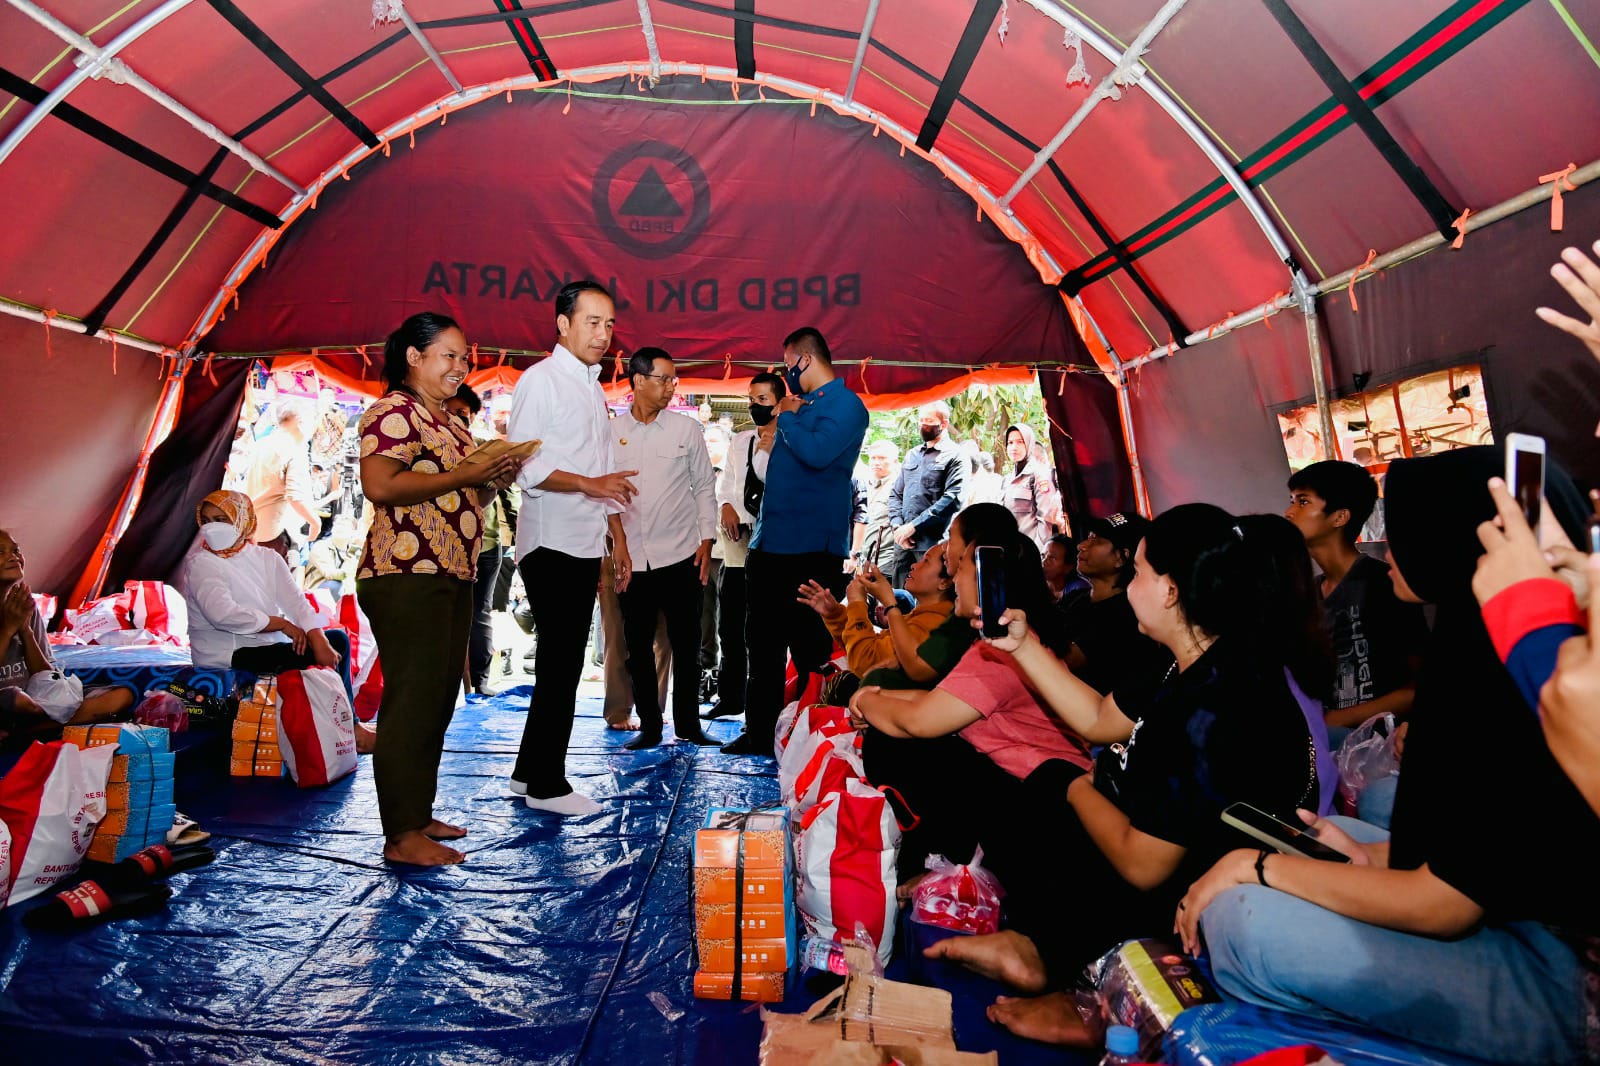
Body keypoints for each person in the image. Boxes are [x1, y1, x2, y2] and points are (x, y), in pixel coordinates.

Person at [1181, 448, 1597, 1065]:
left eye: (1404, 530)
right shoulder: (1479, 638)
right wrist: (1364, 861)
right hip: (1518, 915)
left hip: (1566, 982)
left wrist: (1255, 867)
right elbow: (1495, 856)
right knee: (1344, 835)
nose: (1388, 546)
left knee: (1244, 924)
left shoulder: (1534, 672)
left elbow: (1445, 905)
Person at [922, 504, 1327, 1046]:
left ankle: (1090, 990)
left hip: (1194, 901)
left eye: (1137, 572)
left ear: (1171, 590)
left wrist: (1074, 786)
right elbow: (1097, 719)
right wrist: (1022, 646)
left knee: (1051, 790)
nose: (1129, 586)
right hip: (1140, 833)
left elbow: (1144, 865)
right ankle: (1040, 949)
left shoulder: (1220, 703)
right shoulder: (1180, 659)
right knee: (1032, 787)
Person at [356, 311, 523, 866]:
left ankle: (417, 814)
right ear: (414, 356)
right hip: (405, 574)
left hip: (451, 572)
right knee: (411, 702)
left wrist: (491, 480)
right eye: (449, 355)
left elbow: (457, 496)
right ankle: (400, 834)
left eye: (464, 358)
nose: (460, 367)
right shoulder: (393, 411)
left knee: (436, 699)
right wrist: (463, 477)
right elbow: (380, 485)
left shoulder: (449, 422)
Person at [506, 281, 639, 809]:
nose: (603, 334)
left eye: (610, 325)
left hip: (585, 539)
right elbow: (524, 466)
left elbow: (603, 471)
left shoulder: (590, 385)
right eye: (592, 322)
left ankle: (527, 774)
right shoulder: (541, 380)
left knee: (561, 662)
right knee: (560, 665)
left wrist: (617, 537)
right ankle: (547, 784)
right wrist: (589, 485)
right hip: (551, 539)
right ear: (562, 324)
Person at [721, 327, 868, 755]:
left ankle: (815, 735)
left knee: (810, 649)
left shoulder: (846, 405)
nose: (786, 374)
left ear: (804, 360)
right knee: (762, 647)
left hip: (811, 550)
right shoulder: (800, 406)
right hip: (769, 545)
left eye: (788, 365)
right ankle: (759, 731)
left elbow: (818, 453)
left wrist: (787, 417)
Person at [608, 348, 719, 749]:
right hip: (632, 558)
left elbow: (704, 486)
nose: (672, 387)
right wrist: (618, 543)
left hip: (682, 554)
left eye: (674, 379)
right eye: (664, 379)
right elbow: (607, 496)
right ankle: (650, 726)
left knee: (686, 644)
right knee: (636, 647)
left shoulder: (685, 429)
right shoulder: (611, 432)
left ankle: (689, 724)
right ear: (638, 381)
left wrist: (706, 540)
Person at [1284, 460, 1425, 737]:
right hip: (1332, 747)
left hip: (1384, 744)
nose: (1289, 512)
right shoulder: (1308, 595)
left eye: (1303, 502)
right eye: (1292, 501)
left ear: (1340, 517)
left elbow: (1418, 686)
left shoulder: (1383, 583)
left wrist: (1331, 721)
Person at [181, 490, 357, 707]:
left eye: (220, 519)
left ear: (242, 520)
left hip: (267, 645)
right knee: (336, 643)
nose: (211, 527)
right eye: (206, 521)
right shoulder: (202, 563)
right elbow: (222, 614)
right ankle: (348, 719)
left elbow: (296, 602)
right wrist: (281, 624)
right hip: (224, 652)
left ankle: (344, 718)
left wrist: (318, 638)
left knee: (336, 639)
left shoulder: (267, 558)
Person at [0, 528, 134, 742]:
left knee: (121, 696)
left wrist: (25, 630)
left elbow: (45, 676)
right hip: (8, 702)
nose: (13, 556)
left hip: (36, 700)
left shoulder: (24, 606)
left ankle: (27, 731)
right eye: (1, 552)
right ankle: (41, 725)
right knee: (17, 700)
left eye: (16, 550)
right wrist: (8, 630)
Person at [709, 371, 783, 720]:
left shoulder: (790, 440)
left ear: (779, 404)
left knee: (763, 629)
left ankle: (764, 707)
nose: (755, 406)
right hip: (737, 535)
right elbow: (727, 484)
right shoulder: (741, 440)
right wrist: (726, 505)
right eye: (752, 400)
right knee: (730, 620)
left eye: (763, 400)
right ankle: (730, 695)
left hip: (773, 539)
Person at [798, 541, 956, 681]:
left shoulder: (932, 625)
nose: (914, 565)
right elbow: (863, 646)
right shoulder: (923, 617)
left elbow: (864, 661)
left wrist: (858, 603)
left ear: (945, 582)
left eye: (926, 561)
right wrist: (835, 615)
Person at [1058, 513, 1169, 696]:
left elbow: (1068, 660)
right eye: (1089, 537)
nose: (1081, 545)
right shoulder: (1077, 598)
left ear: (1121, 558)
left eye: (1096, 540)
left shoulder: (1127, 613)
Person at [887, 402, 966, 588]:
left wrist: (913, 526)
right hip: (903, 544)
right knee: (899, 597)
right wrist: (898, 527)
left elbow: (952, 499)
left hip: (932, 544)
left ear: (943, 424)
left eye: (929, 421)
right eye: (921, 420)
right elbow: (896, 495)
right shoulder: (912, 454)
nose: (923, 425)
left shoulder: (955, 455)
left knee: (931, 596)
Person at [246, 399, 321, 556]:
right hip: (272, 533)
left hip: (250, 527)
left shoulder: (261, 444)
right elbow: (295, 497)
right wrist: (315, 523)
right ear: (301, 422)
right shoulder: (294, 450)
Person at [1001, 423, 1062, 554]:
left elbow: (1046, 521)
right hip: (1011, 550)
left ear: (1029, 444)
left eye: (1020, 442)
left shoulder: (1039, 475)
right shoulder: (1007, 480)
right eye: (1010, 443)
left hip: (1031, 552)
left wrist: (1039, 553)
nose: (1014, 447)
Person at [851, 440, 899, 574]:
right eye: (873, 458)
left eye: (882, 458)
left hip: (887, 560)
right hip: (862, 559)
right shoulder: (864, 485)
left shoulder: (899, 487)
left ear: (895, 461)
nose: (876, 462)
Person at [1041, 533, 1087, 605]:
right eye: (1042, 556)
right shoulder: (1033, 584)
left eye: (1052, 558)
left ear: (1068, 567)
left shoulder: (1080, 590)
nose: (1043, 561)